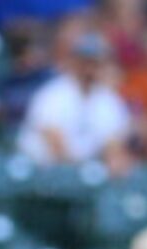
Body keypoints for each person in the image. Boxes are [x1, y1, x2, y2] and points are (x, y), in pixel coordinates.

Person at [16, 27, 133, 169]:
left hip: (83, 175)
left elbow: (114, 145)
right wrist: (82, 174)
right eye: (85, 62)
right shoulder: (54, 93)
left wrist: (113, 161)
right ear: (74, 61)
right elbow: (55, 143)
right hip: (43, 171)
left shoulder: (108, 101)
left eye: (95, 63)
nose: (89, 69)